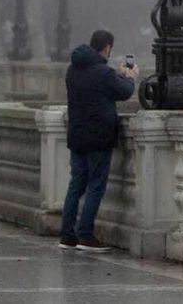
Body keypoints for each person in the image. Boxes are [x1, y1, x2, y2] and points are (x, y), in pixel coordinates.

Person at [59, 29, 137, 251]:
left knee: (76, 185)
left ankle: (67, 235)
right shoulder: (103, 73)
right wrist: (130, 78)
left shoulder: (72, 70)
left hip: (77, 135)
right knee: (95, 186)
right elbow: (122, 92)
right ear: (108, 47)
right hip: (99, 137)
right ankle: (85, 235)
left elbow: (100, 88)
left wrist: (116, 74)